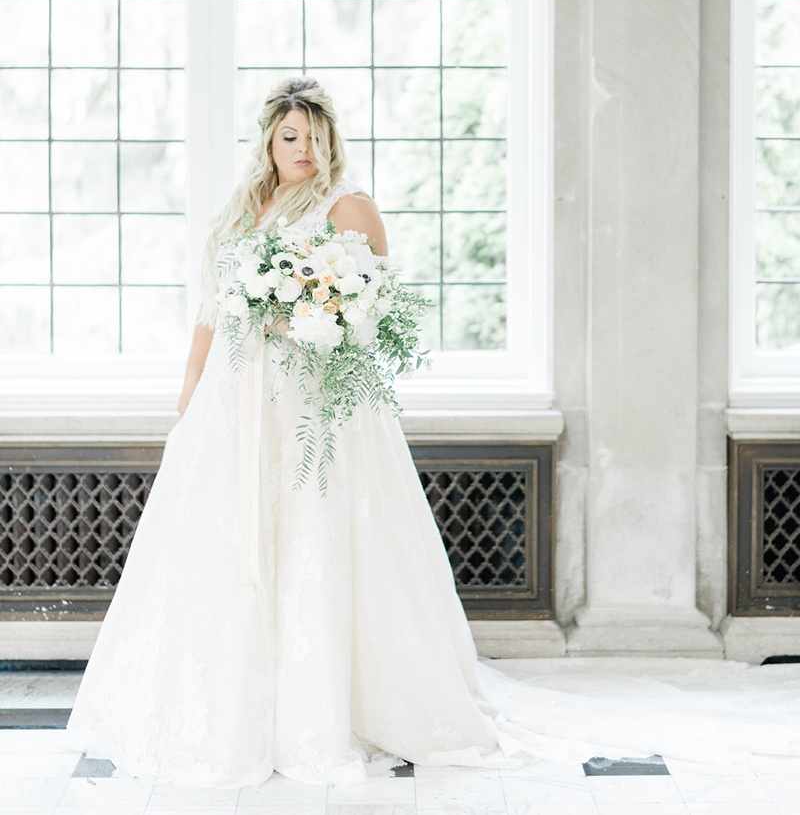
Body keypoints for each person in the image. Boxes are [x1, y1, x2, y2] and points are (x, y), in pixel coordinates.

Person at [62, 75, 800, 788]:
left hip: (315, 406)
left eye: (315, 137)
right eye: (290, 137)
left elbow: (371, 318)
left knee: (315, 542)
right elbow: (210, 317)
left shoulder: (348, 208)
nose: (303, 151)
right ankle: (227, 708)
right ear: (268, 139)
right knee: (229, 550)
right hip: (235, 407)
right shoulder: (241, 210)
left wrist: (304, 316)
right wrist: (187, 409)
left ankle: (328, 709)